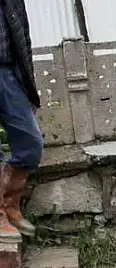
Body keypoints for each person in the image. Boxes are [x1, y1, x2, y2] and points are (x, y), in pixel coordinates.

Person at [0, 0, 43, 244]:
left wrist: (29, 88)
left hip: (7, 74)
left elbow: (24, 41)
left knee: (31, 143)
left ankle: (10, 205)